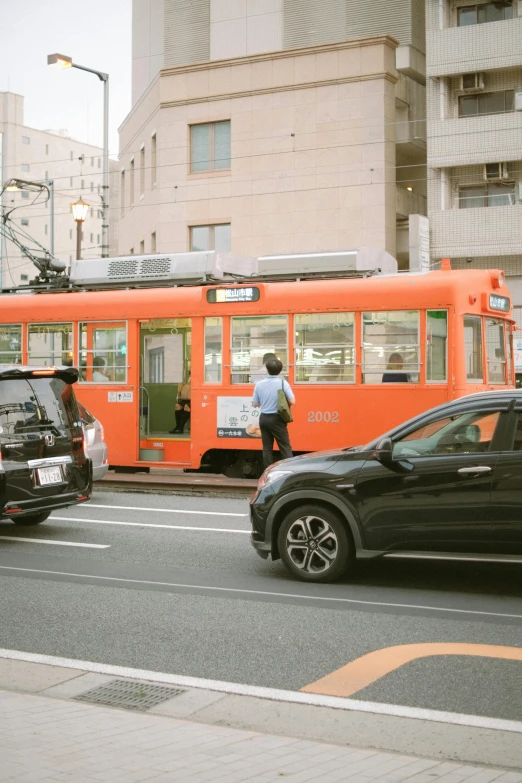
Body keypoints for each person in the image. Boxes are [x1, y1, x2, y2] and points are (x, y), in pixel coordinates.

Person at [252, 358, 295, 468]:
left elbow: (255, 403)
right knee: (285, 447)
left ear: (267, 370)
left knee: (267, 448)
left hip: (264, 419)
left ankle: (267, 473)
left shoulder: (259, 384)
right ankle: (288, 471)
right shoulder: (282, 383)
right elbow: (292, 401)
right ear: (280, 370)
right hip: (277, 419)